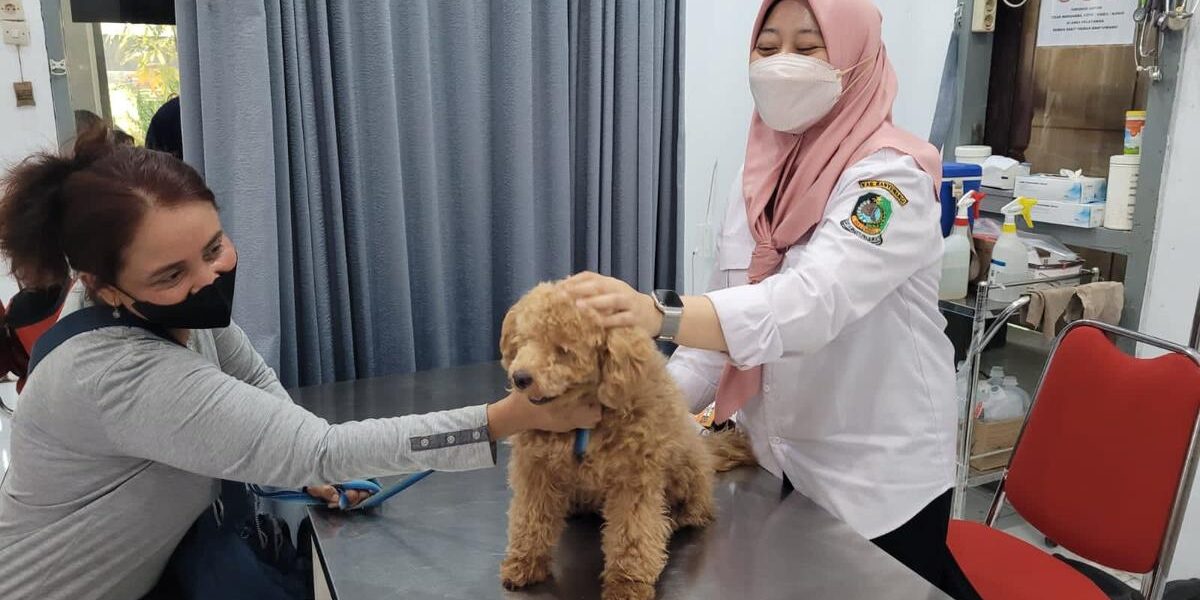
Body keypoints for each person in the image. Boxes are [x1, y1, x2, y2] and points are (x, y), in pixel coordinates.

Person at [0, 125, 601, 599]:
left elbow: (252, 376)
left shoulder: (167, 311)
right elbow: (322, 447)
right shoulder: (113, 375)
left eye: (214, 248)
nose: (207, 279)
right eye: (171, 274)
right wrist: (507, 419)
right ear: (103, 286)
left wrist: (307, 473)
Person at [567, 1, 980, 598]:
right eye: (767, 47)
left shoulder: (891, 179)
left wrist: (658, 313)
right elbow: (715, 344)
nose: (783, 64)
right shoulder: (759, 178)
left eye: (808, 47)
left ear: (856, 58)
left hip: (875, 481)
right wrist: (628, 414)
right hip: (774, 464)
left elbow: (808, 306)